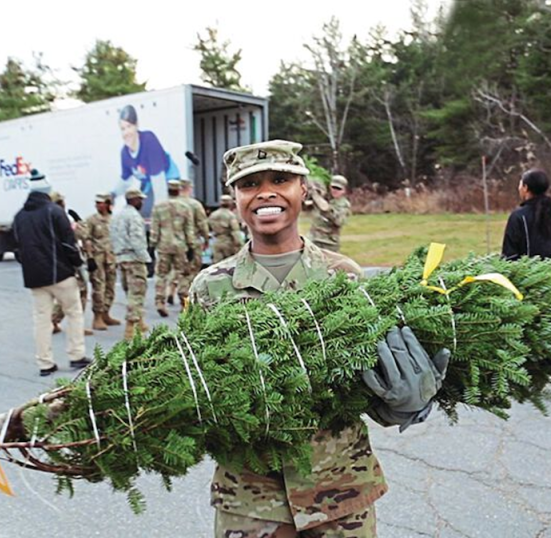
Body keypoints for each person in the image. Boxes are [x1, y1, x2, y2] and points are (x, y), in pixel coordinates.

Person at [190, 140, 449, 537]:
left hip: (340, 492)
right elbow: (193, 389)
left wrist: (403, 404)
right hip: (250, 500)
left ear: (304, 191)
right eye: (249, 185)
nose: (266, 193)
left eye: (280, 179)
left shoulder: (343, 276)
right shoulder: (210, 288)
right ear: (235, 198)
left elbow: (370, 379)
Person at [12, 169, 91, 377]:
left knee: (41, 319)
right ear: (47, 190)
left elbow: (17, 248)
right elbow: (69, 244)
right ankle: (76, 355)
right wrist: (78, 264)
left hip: (34, 277)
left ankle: (45, 363)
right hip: (61, 274)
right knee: (74, 312)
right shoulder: (55, 212)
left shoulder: (19, 216)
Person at [501, 169, 551, 279]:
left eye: (520, 184)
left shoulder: (518, 216)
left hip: (526, 285)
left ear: (525, 188)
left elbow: (509, 255)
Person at [118, 104, 181, 219]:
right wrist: (111, 196)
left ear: (136, 125)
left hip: (166, 178)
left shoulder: (148, 140)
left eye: (129, 126)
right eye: (123, 128)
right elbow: (125, 181)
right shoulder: (125, 152)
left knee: (149, 210)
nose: (126, 132)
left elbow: (159, 183)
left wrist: (160, 213)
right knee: (139, 209)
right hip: (148, 183)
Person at [49, 191, 93, 336]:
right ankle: (74, 326)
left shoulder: (48, 219)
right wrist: (79, 221)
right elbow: (82, 234)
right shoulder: (62, 220)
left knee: (65, 294)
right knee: (80, 292)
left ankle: (53, 321)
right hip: (71, 260)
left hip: (59, 261)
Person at [111, 186, 152, 339]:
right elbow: (137, 240)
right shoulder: (134, 216)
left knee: (129, 291)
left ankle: (140, 322)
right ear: (134, 200)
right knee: (137, 293)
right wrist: (145, 257)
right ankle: (130, 329)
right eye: (140, 199)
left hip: (121, 258)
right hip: (134, 258)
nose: (141, 202)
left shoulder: (118, 215)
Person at [149, 180, 194, 317]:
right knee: (182, 274)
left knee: (161, 275)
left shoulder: (159, 207)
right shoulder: (185, 207)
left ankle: (160, 302)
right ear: (179, 190)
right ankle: (183, 302)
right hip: (180, 246)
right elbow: (189, 229)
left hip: (164, 245)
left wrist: (152, 246)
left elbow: (154, 228)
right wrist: (191, 245)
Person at [83, 194, 122, 331]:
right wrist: (90, 257)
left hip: (111, 257)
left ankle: (106, 313)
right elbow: (86, 239)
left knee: (110, 287)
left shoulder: (114, 219)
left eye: (101, 203)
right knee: (99, 287)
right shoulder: (92, 220)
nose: (98, 205)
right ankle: (97, 316)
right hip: (98, 258)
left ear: (108, 204)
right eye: (97, 203)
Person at [171, 178, 209, 306]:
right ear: (189, 188)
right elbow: (202, 223)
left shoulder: (169, 204)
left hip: (174, 243)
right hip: (193, 242)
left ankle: (177, 294)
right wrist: (206, 239)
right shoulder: (195, 204)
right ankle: (188, 298)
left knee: (179, 271)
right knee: (192, 272)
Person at [307, 174, 352, 252]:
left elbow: (339, 221)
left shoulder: (343, 205)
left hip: (328, 242)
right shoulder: (325, 197)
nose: (335, 190)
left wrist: (326, 208)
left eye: (338, 189)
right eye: (333, 187)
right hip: (313, 237)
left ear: (344, 190)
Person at [207, 194, 244, 263]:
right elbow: (235, 231)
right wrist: (240, 245)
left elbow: (208, 228)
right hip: (228, 242)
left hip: (216, 242)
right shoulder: (230, 215)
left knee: (217, 266)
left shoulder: (213, 214)